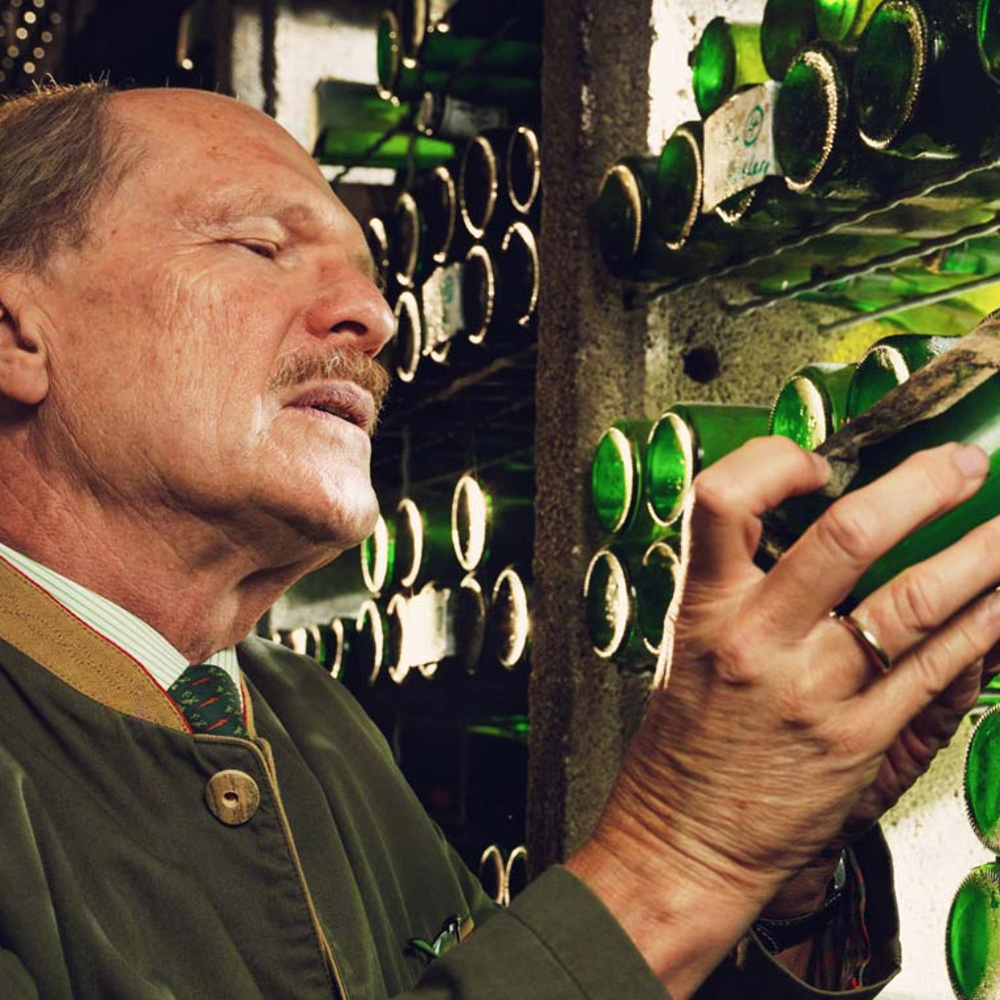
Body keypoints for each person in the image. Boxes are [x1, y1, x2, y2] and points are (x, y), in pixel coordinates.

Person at [0, 81, 996, 1000]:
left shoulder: (310, 717)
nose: (374, 318)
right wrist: (679, 855)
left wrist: (782, 862)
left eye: (371, 278)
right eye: (258, 244)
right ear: (14, 331)